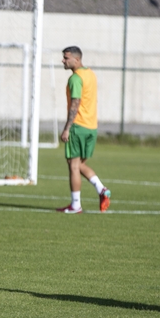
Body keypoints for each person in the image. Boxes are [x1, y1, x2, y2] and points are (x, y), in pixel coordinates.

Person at [57, 46, 111, 214]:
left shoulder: (75, 78)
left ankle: (75, 205)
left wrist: (67, 128)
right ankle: (101, 189)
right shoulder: (90, 74)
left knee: (74, 166)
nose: (63, 61)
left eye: (66, 58)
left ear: (77, 59)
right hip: (91, 127)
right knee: (78, 164)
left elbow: (75, 103)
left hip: (78, 126)